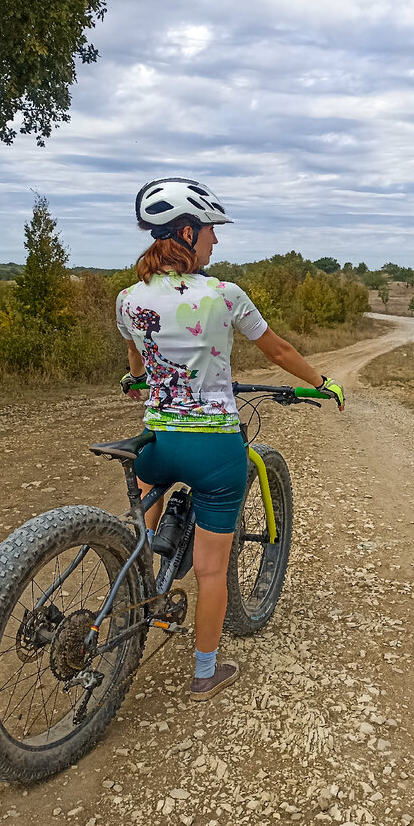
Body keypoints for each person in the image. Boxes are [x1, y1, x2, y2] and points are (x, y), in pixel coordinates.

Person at [115, 177, 345, 702]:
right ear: (188, 232)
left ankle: (138, 588)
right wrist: (321, 382)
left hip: (158, 441)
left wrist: (136, 382)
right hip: (215, 449)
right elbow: (279, 351)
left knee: (141, 538)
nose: (216, 243)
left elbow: (137, 367)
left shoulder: (129, 299)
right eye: (211, 232)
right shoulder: (224, 295)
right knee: (211, 568)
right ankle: (204, 673)